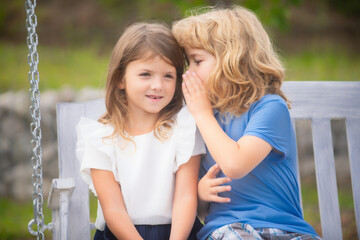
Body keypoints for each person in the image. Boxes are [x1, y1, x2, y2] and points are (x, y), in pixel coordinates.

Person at [172, 6, 322, 240]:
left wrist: (202, 115)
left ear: (232, 60)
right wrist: (201, 193)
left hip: (286, 229)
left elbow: (234, 164)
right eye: (188, 63)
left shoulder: (270, 108)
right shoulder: (198, 117)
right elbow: (200, 209)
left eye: (197, 61)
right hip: (227, 228)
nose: (189, 73)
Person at [76, 22, 206, 240]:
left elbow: (185, 197)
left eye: (168, 76)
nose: (157, 85)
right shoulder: (101, 138)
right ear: (120, 78)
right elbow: (113, 209)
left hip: (179, 232)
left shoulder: (184, 128)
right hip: (122, 234)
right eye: (145, 74)